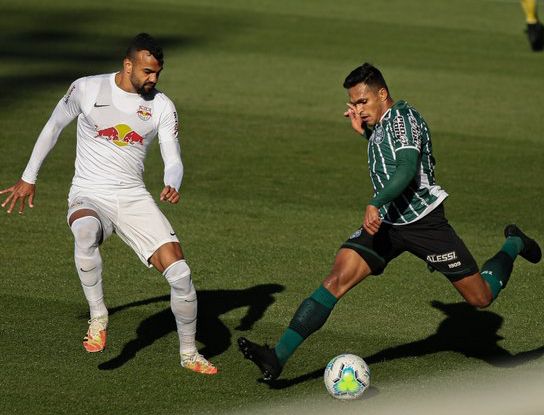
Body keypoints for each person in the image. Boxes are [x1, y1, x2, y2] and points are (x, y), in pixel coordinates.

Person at [238, 63, 541, 381]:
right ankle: (277, 356)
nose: (358, 108)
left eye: (363, 102)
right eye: (353, 103)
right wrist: (366, 133)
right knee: (336, 278)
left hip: (424, 223)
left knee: (481, 298)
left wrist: (375, 202)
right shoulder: (381, 123)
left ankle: (514, 242)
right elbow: (388, 154)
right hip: (388, 223)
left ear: (382, 93)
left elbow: (407, 167)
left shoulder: (403, 120)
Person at [0, 33, 217, 375]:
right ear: (128, 64)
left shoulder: (161, 106)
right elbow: (53, 127)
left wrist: (171, 182)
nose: (153, 79)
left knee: (181, 274)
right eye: (147, 71)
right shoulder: (87, 89)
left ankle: (189, 354)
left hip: (133, 197)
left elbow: (172, 157)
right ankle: (99, 316)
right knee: (85, 231)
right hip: (89, 192)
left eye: (158, 72)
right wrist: (29, 177)